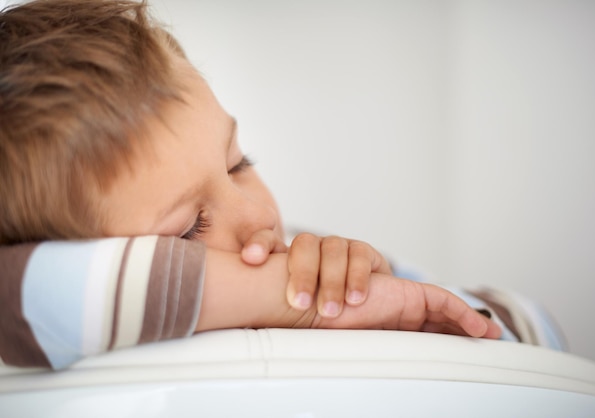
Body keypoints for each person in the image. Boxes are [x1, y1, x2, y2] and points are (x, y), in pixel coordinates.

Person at [0, 0, 563, 370]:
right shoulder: (294, 289)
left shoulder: (326, 268)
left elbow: (543, 334)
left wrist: (404, 317)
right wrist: (292, 305)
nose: (259, 218)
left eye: (240, 163)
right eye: (190, 229)